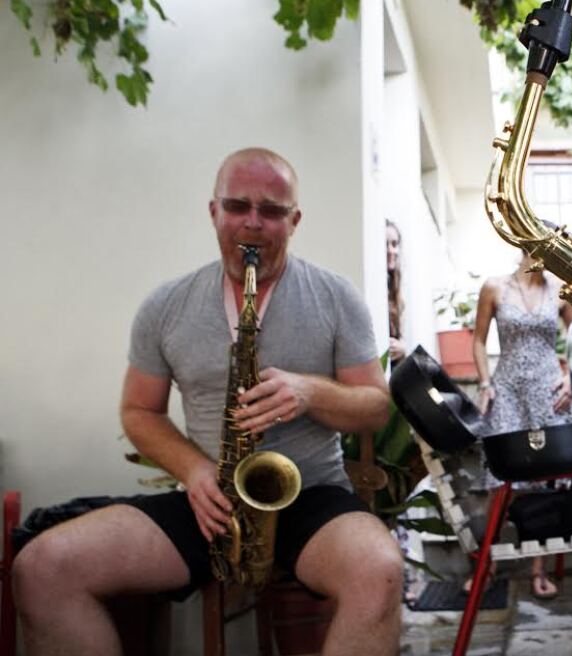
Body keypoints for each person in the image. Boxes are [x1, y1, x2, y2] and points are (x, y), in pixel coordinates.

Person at [12, 148, 403, 656]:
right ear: (213, 210)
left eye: (272, 211)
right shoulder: (166, 306)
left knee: (381, 569)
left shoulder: (335, 296)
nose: (253, 223)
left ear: (295, 220)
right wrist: (195, 472)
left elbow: (375, 407)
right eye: (238, 206)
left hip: (311, 497)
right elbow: (139, 411)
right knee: (42, 568)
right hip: (210, 499)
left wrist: (308, 392)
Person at [469, 248, 572, 600]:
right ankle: (486, 566)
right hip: (507, 387)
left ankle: (539, 569)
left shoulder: (561, 288)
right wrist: (485, 383)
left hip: (549, 389)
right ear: (523, 246)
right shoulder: (495, 287)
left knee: (547, 480)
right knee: (499, 483)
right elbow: (478, 339)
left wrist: (571, 379)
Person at [386, 219, 408, 365]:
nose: (390, 251)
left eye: (394, 244)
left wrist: (403, 347)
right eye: (385, 244)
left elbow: (400, 337)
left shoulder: (395, 288)